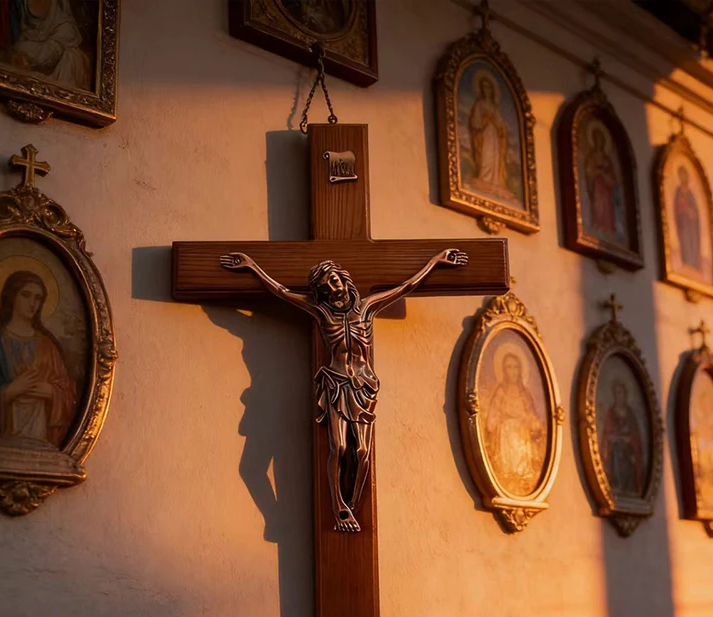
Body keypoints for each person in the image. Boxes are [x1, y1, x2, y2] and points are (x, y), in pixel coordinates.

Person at [221, 248, 466, 532]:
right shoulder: (322, 312)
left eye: (334, 280)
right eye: (325, 285)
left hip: (363, 386)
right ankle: (339, 507)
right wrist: (252, 267)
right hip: (336, 383)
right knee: (337, 447)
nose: (332, 287)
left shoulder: (367, 307)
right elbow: (281, 292)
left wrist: (436, 262)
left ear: (343, 278)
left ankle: (352, 505)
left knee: (361, 451)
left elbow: (406, 286)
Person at [0, 270, 76, 449]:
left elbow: (69, 395)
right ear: (12, 296)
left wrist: (52, 392)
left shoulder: (48, 347)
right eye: (26, 295)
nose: (32, 303)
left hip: (40, 444)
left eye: (38, 298)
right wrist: (9, 391)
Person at [485, 351, 544, 495]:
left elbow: (532, 417)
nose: (513, 371)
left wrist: (531, 422)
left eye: (516, 367)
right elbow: (491, 419)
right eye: (509, 367)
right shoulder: (501, 393)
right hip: (505, 437)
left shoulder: (525, 394)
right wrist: (501, 420)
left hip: (523, 439)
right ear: (504, 371)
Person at [9, 0, 90, 90]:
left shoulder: (62, 15)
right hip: (32, 44)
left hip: (59, 42)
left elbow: (68, 30)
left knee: (73, 57)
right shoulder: (19, 5)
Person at [468, 73, 510, 197]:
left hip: (494, 135)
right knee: (486, 156)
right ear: (482, 89)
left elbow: (500, 122)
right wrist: (485, 120)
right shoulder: (479, 104)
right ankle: (484, 179)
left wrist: (501, 130)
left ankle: (494, 181)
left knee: (495, 157)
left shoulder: (494, 106)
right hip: (485, 134)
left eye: (489, 87)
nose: (487, 90)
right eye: (485, 87)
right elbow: (475, 123)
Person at [600, 380, 644, 496]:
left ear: (625, 394)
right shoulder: (610, 413)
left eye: (621, 393)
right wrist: (616, 438)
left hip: (629, 453)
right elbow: (607, 435)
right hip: (615, 453)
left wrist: (629, 440)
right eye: (616, 393)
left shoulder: (630, 414)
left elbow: (636, 435)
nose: (619, 396)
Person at [585, 128, 618, 237]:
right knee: (599, 207)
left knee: (607, 209)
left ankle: (608, 230)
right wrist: (598, 171)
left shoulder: (607, 159)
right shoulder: (592, 157)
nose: (599, 141)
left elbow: (613, 177)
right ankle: (598, 227)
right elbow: (589, 172)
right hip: (597, 186)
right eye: (597, 139)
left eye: (600, 139)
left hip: (606, 188)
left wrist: (606, 174)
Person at [674, 165, 701, 271]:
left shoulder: (690, 193)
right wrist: (682, 209)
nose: (683, 178)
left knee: (692, 241)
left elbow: (695, 211)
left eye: (684, 175)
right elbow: (676, 208)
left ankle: (693, 262)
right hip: (683, 223)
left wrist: (690, 211)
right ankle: (686, 261)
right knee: (685, 241)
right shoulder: (678, 191)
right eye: (681, 175)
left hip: (691, 224)